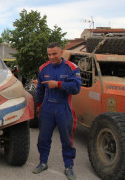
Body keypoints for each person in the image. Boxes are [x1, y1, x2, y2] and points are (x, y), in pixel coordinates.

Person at [32, 42, 81, 180]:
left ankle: (69, 166)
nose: (51, 57)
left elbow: (76, 88)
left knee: (67, 139)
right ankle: (43, 162)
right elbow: (40, 89)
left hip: (64, 107)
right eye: (49, 54)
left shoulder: (71, 68)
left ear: (61, 53)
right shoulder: (43, 68)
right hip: (47, 107)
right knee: (43, 138)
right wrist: (38, 105)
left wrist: (58, 84)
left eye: (54, 54)